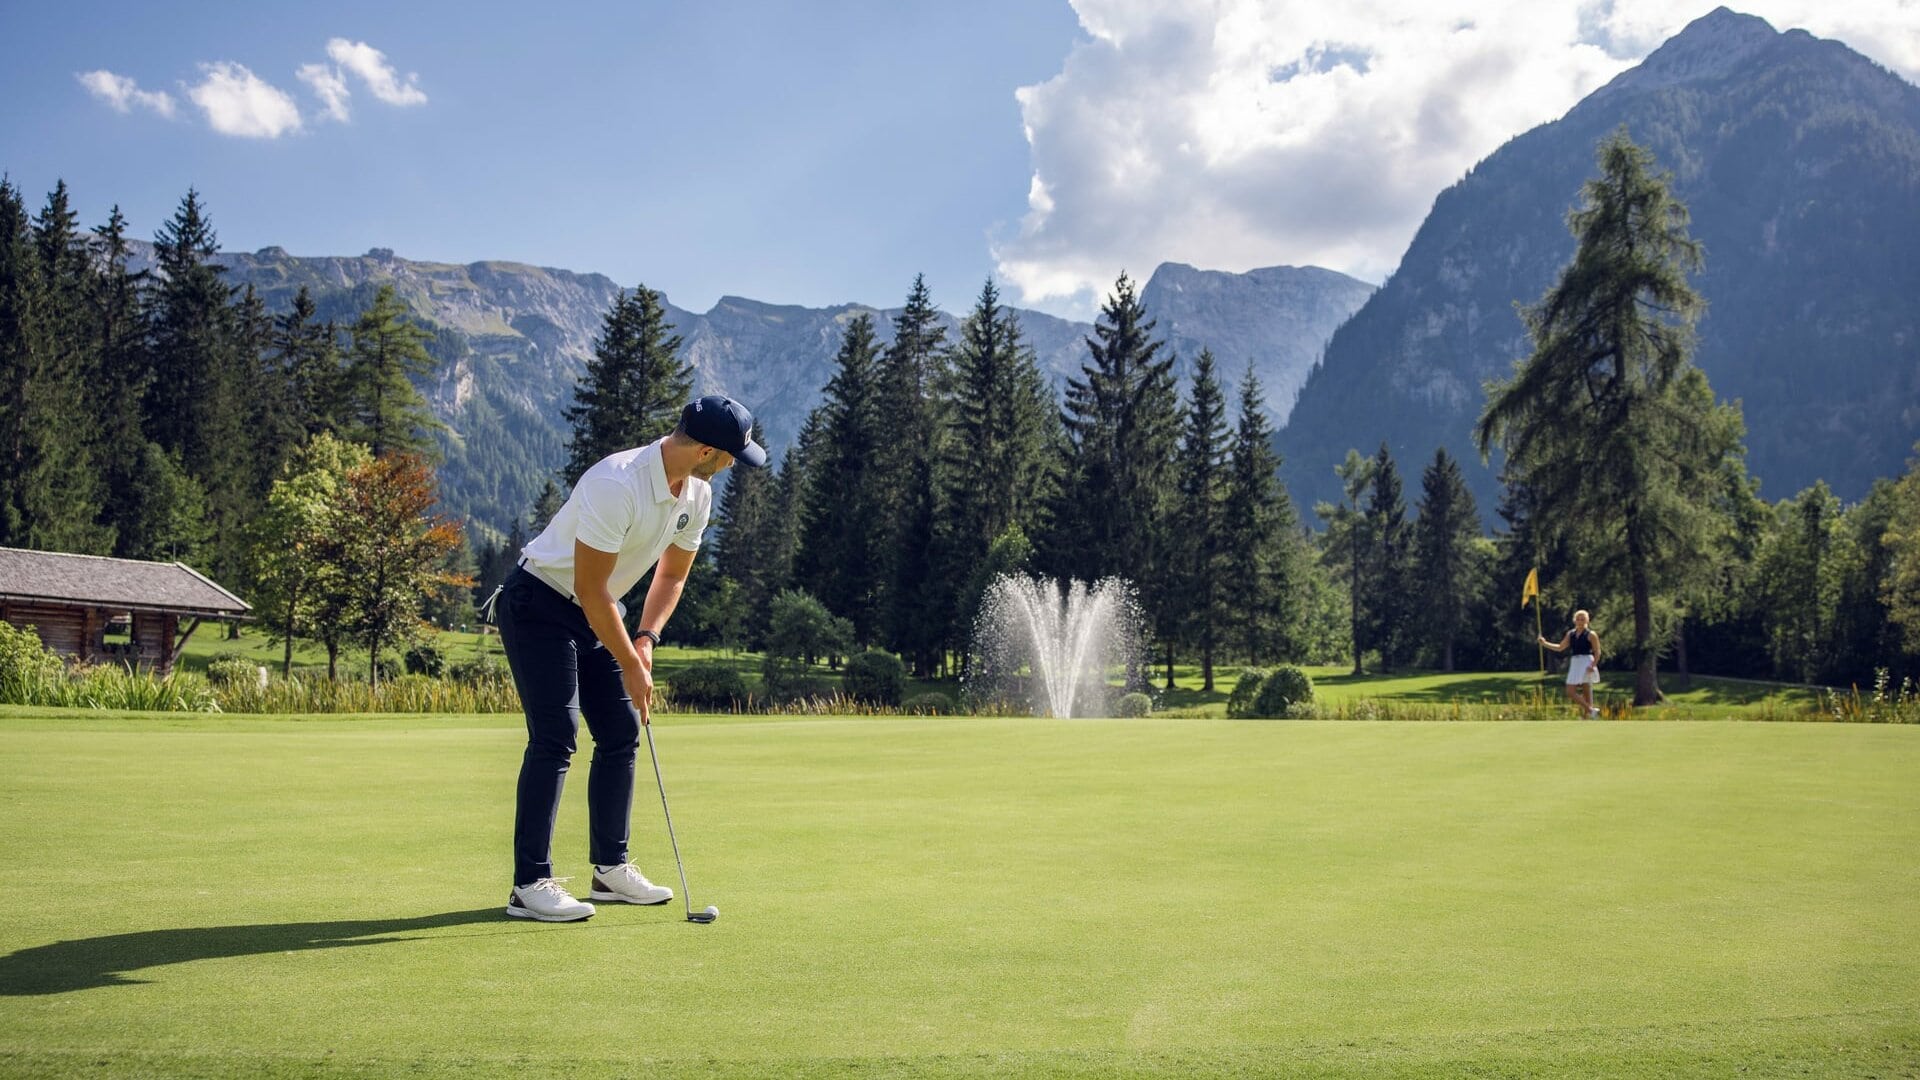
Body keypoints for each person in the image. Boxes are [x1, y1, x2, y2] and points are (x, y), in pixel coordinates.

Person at [489, 395, 767, 921]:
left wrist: (646, 640)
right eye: (731, 455)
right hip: (540, 603)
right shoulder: (617, 483)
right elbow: (591, 590)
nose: (735, 464)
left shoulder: (698, 494)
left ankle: (609, 871)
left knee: (620, 731)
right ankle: (529, 884)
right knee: (556, 736)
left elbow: (672, 574)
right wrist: (632, 667)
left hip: (599, 610)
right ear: (707, 450)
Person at [1540, 609, 1602, 718]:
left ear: (1587, 620)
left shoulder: (1591, 634)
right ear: (1575, 620)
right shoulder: (1571, 634)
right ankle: (1591, 710)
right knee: (1570, 691)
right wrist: (1545, 643)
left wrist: (1593, 665)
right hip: (1575, 662)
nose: (1580, 621)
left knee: (1586, 690)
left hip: (1586, 661)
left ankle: (1587, 716)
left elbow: (1597, 652)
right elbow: (1560, 647)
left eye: (1582, 619)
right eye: (1578, 619)